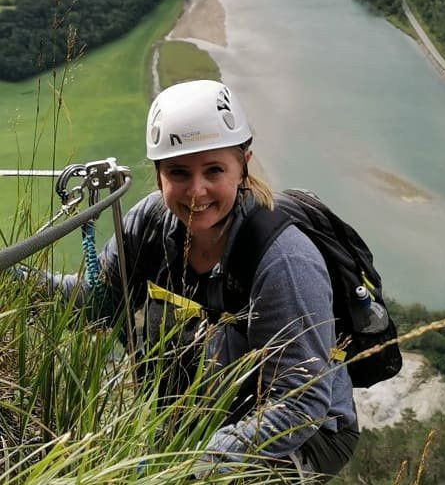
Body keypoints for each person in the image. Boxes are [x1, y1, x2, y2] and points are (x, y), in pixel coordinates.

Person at [52, 79, 358, 479]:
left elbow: (300, 404)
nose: (196, 191)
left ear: (243, 164)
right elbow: (97, 303)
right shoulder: (150, 225)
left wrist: (195, 462)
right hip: (206, 413)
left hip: (307, 432)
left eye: (214, 170)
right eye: (179, 172)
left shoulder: (284, 261)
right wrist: (14, 277)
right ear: (159, 173)